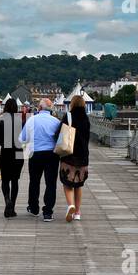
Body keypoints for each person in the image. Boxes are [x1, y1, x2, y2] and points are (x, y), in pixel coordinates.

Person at [20, 98, 63, 222]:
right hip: (52, 155)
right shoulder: (56, 121)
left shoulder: (31, 120)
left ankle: (34, 208)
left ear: (39, 108)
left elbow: (22, 138)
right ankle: (48, 212)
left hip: (35, 154)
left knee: (34, 181)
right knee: (51, 183)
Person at [59, 93, 91, 221]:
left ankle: (70, 206)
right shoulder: (86, 119)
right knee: (78, 184)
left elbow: (59, 133)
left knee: (67, 183)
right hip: (83, 157)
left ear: (71, 104)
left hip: (69, 155)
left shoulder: (68, 116)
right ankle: (77, 212)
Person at [0, 96, 24, 217]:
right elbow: (25, 138)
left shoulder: (1, 120)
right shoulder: (21, 121)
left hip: (5, 152)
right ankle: (12, 208)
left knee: (5, 180)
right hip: (18, 152)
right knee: (15, 180)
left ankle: (7, 201)